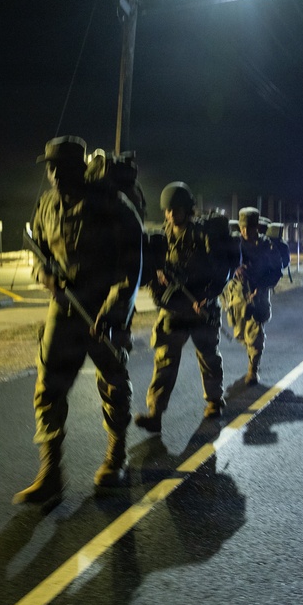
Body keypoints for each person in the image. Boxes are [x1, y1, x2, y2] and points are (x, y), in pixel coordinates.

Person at [13, 135, 144, 506]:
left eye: (61, 168)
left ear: (79, 168)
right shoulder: (46, 205)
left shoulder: (110, 204)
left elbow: (131, 266)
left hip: (103, 310)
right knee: (47, 386)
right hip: (64, 308)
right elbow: (38, 252)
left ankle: (116, 455)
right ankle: (51, 472)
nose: (54, 175)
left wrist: (112, 311)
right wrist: (46, 276)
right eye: (50, 168)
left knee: (113, 381)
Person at [135, 182, 235, 432]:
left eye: (176, 209)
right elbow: (152, 266)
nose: (170, 215)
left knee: (208, 356)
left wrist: (208, 296)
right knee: (165, 359)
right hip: (175, 308)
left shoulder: (203, 234)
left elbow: (222, 269)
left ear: (187, 209)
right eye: (167, 210)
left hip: (201, 306)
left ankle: (214, 401)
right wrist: (159, 274)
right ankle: (155, 412)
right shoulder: (163, 236)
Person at [223, 207, 284, 386]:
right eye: (242, 228)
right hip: (236, 294)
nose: (244, 231)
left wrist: (262, 286)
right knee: (239, 333)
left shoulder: (266, 245)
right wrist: (235, 268)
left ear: (256, 227)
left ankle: (253, 369)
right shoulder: (234, 242)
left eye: (248, 228)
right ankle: (251, 350)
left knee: (255, 333)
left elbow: (276, 270)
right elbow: (221, 261)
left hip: (258, 293)